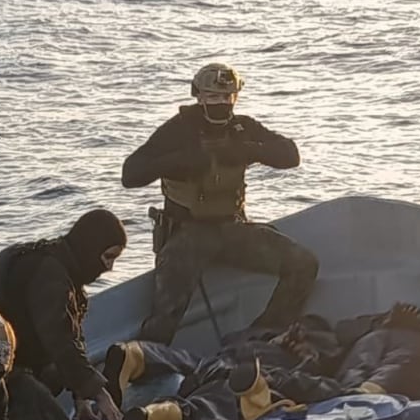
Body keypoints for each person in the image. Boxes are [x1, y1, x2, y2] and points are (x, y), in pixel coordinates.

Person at [97, 304, 420, 420]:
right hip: (260, 370)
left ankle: (137, 354)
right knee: (244, 393)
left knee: (204, 371)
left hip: (228, 361)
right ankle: (169, 414)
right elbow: (334, 378)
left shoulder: (362, 338)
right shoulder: (330, 341)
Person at [121, 62, 319, 345]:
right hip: (187, 235)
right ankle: (146, 360)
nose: (222, 104)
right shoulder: (178, 131)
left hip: (233, 230)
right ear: (198, 97)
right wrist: (180, 161)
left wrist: (249, 150)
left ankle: (262, 337)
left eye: (228, 98)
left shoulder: (241, 128)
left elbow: (290, 155)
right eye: (213, 97)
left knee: (304, 264)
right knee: (166, 316)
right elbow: (130, 174)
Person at [0, 208, 129, 420]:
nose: (109, 268)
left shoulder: (69, 276)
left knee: (64, 374)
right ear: (90, 248)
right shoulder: (50, 277)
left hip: (25, 355)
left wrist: (82, 399)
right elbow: (61, 343)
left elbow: (73, 340)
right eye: (108, 257)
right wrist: (101, 396)